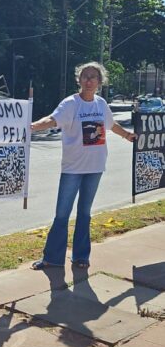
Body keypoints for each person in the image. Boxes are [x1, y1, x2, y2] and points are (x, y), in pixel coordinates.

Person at [30, 62, 135, 270]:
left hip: (95, 167)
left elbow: (111, 124)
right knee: (62, 213)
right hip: (72, 168)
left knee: (85, 213)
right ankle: (52, 258)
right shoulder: (70, 104)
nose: (88, 80)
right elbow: (53, 120)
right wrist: (32, 127)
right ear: (78, 80)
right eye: (85, 76)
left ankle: (81, 257)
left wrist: (127, 135)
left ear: (99, 82)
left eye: (93, 77)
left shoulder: (101, 104)